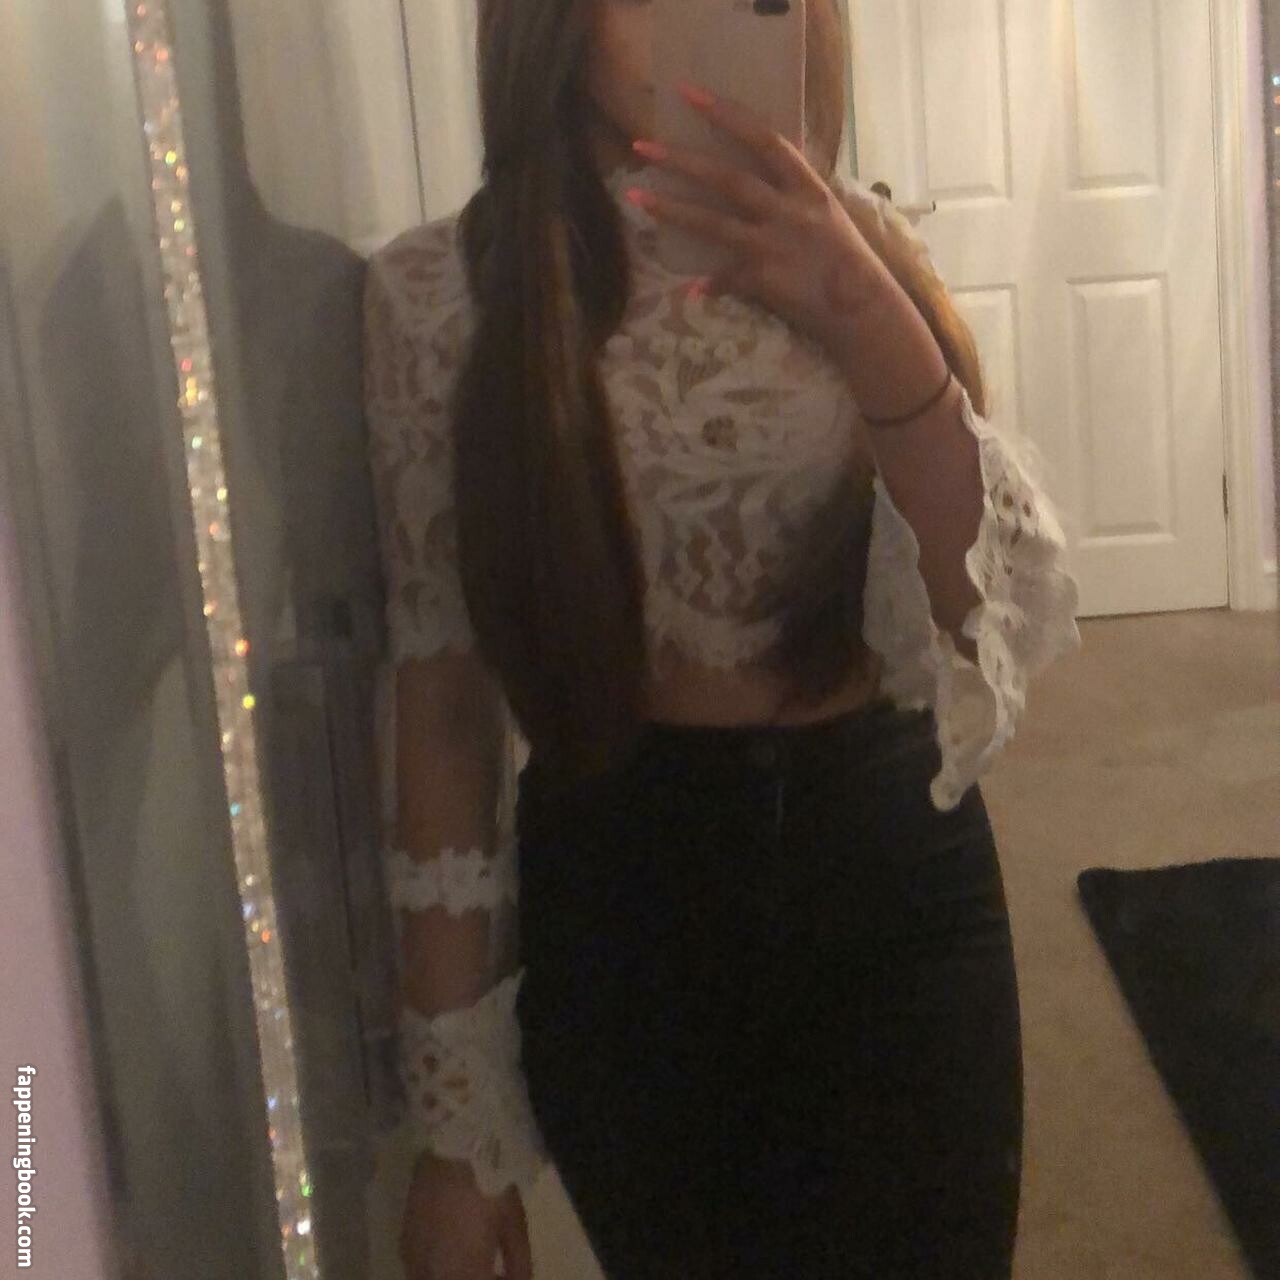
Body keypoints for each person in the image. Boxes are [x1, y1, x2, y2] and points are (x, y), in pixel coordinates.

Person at [362, 1, 1082, 1276]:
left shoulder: (858, 249)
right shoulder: (440, 295)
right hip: (627, 889)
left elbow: (995, 602)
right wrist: (455, 1128)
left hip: (890, 866)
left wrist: (857, 301)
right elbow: (444, 710)